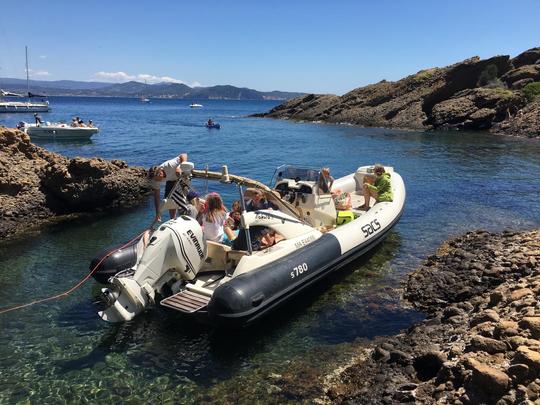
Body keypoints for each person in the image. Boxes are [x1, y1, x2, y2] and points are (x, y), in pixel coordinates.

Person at [148, 153, 189, 221]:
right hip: (171, 180)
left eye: (157, 178)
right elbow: (157, 196)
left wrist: (180, 166)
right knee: (169, 200)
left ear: (160, 172)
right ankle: (173, 219)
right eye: (155, 179)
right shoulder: (155, 180)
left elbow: (184, 155)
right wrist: (157, 213)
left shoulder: (170, 165)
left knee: (186, 197)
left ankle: (188, 214)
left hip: (182, 176)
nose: (157, 181)